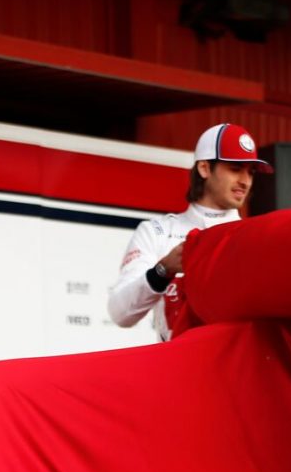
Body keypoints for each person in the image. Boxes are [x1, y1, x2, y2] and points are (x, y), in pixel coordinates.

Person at [108, 123, 271, 340]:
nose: (245, 181)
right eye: (235, 169)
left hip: (233, 369)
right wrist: (163, 271)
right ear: (204, 168)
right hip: (175, 368)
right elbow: (120, 313)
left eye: (250, 172)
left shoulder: (255, 236)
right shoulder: (157, 232)